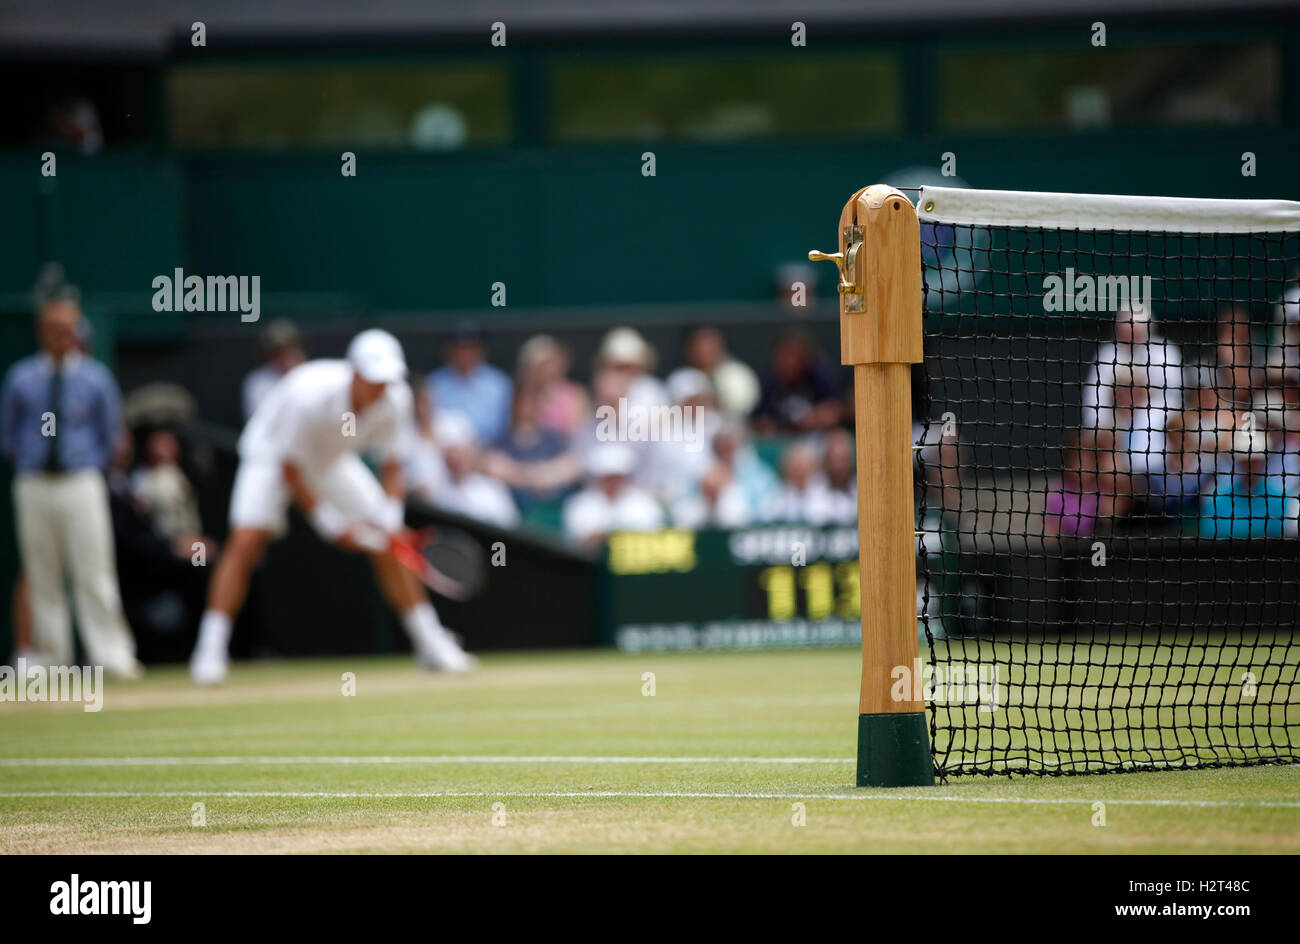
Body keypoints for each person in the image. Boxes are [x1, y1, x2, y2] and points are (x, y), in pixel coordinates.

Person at [188, 329, 474, 684]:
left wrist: (389, 515)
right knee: (246, 541)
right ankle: (209, 650)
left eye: (387, 379)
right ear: (353, 371)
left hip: (331, 460)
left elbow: (393, 464)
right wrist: (330, 522)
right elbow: (290, 468)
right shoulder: (308, 393)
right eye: (373, 379)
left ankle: (431, 644)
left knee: (393, 543)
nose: (381, 387)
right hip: (272, 455)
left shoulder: (396, 398)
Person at [0, 289, 141, 677]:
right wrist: (30, 463)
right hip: (34, 483)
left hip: (81, 481)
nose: (63, 334)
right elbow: (9, 435)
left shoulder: (96, 379)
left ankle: (111, 655)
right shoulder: (21, 379)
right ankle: (50, 658)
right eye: (54, 327)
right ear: (41, 331)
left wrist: (88, 464)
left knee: (93, 569)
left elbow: (110, 435)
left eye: (68, 327)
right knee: (42, 571)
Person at [1081, 306, 1181, 430]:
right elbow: (1094, 397)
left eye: (1135, 331)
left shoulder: (1164, 352)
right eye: (1126, 331)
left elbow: (1174, 397)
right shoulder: (1107, 354)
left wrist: (1140, 413)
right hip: (1115, 424)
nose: (1131, 336)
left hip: (1157, 424)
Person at [427, 322, 512, 446]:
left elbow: (509, 428)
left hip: (491, 452)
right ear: (448, 351)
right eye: (459, 348)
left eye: (470, 348)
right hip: (445, 453)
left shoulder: (499, 384)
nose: (464, 355)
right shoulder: (433, 384)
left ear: (481, 350)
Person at [562, 444, 664, 545]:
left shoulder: (645, 505)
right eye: (608, 477)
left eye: (617, 476)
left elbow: (651, 539)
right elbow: (578, 543)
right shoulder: (580, 505)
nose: (613, 481)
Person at [751, 329, 843, 434]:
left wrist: (814, 417)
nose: (791, 362)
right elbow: (757, 419)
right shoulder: (766, 379)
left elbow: (835, 411)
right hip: (777, 438)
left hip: (817, 436)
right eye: (786, 355)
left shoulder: (822, 374)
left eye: (796, 356)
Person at [669, 325, 759, 420]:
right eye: (698, 344)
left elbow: (742, 409)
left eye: (709, 344)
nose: (703, 349)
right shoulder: (681, 377)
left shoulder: (736, 374)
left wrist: (716, 402)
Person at [242, 319, 306, 421]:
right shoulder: (257, 381)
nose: (286, 355)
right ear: (270, 353)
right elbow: (260, 421)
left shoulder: (313, 375)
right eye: (278, 351)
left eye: (290, 347)